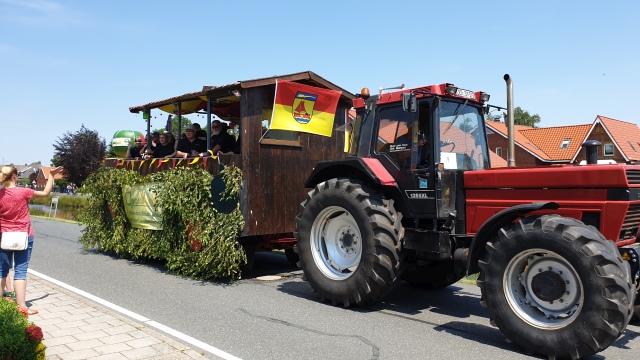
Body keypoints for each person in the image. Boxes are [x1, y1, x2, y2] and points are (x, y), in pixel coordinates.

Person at [0, 165, 62, 314]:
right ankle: (22, 307)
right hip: (24, 235)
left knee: (2, 271)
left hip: (4, 235)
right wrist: (51, 175)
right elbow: (46, 192)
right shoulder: (24, 192)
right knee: (20, 271)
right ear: (15, 176)